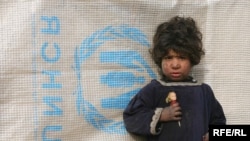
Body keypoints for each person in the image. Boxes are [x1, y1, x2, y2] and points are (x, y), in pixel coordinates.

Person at [123, 16, 226, 141]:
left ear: (192, 59)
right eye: (168, 57)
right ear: (160, 58)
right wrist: (161, 115)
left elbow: (218, 120)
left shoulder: (204, 92)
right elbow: (131, 117)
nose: (175, 65)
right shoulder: (155, 89)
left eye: (182, 57)